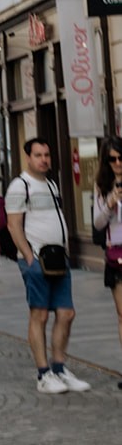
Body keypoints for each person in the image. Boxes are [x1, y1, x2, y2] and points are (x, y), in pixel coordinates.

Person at [5, 137, 91, 396]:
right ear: (28, 158)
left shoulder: (52, 184)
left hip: (58, 259)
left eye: (47, 155)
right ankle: (43, 374)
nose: (44, 160)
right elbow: (13, 225)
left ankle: (60, 368)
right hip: (37, 260)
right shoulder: (20, 186)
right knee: (39, 315)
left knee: (66, 314)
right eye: (38, 155)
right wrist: (29, 257)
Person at [92, 136, 122, 388]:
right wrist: (110, 203)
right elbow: (98, 224)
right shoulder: (102, 186)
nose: (117, 163)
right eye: (112, 159)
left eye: (121, 157)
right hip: (117, 255)